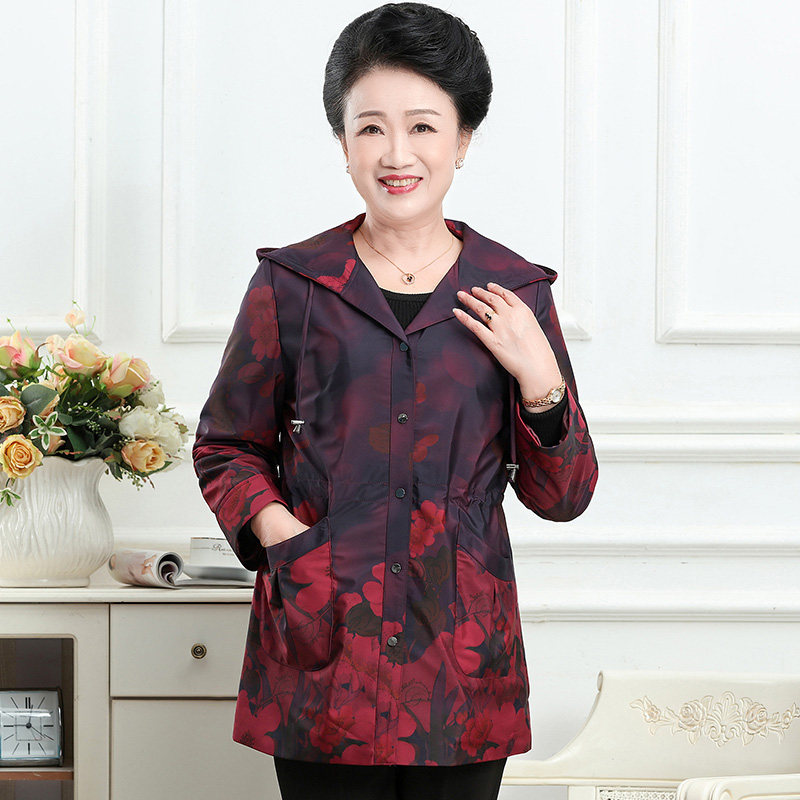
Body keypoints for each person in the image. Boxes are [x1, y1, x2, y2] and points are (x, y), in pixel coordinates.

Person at [192, 3, 599, 799]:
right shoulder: (293, 285)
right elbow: (225, 445)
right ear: (343, 143)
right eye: (371, 127)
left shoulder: (513, 293)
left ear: (463, 140)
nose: (397, 153)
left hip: (462, 669)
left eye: (423, 126)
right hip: (323, 656)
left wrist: (540, 383)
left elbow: (563, 496)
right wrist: (282, 536)